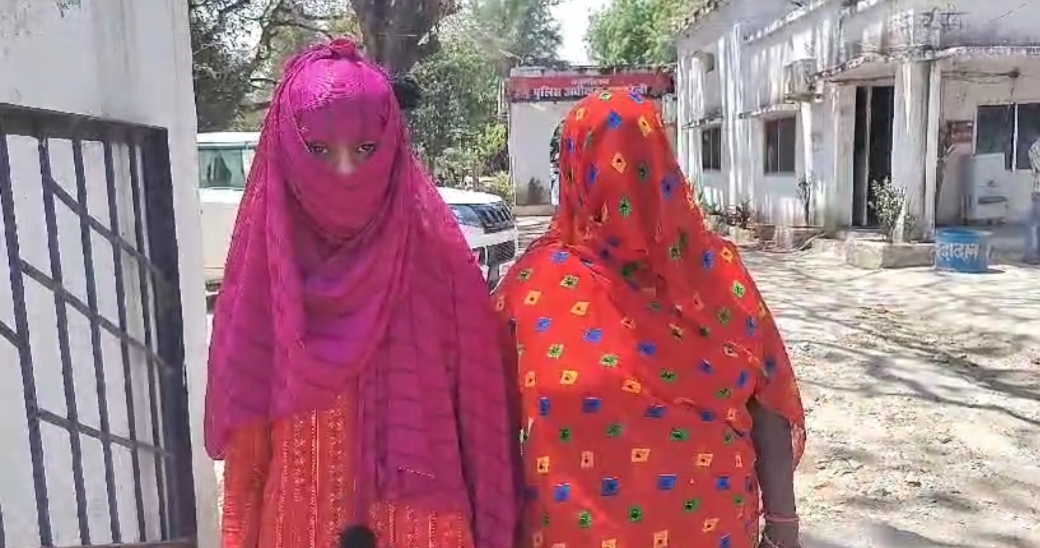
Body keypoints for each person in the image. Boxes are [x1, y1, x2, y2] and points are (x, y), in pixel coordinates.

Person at [206, 38, 520, 548]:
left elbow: (482, 429)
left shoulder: (439, 264)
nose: (346, 174)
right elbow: (247, 458)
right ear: (287, 148)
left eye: (366, 150)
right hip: (298, 527)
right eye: (320, 151)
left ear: (392, 146)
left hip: (424, 528)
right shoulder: (266, 274)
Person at [494, 89, 806, 548]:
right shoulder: (534, 287)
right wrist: (783, 530)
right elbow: (488, 420)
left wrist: (783, 531)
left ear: (573, 170)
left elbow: (768, 400)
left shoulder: (533, 286)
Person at [1025, 138, 1040, 264]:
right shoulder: (1036, 148)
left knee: (1034, 224)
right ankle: (1032, 254)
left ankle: (1034, 254)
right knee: (1034, 224)